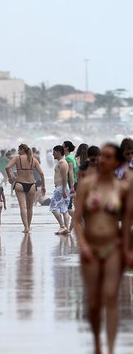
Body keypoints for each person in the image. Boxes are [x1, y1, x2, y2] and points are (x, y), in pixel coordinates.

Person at [76, 144, 128, 354]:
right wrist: (83, 245)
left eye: (108, 157)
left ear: (116, 162)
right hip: (91, 246)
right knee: (94, 300)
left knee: (111, 296)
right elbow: (77, 220)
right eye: (101, 156)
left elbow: (127, 220)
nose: (102, 160)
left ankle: (111, 348)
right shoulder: (87, 185)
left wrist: (128, 249)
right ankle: (97, 342)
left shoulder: (123, 188)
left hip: (113, 247)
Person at [5, 144, 46, 233]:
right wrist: (43, 186)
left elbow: (7, 167)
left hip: (19, 184)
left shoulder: (17, 158)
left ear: (23, 150)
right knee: (30, 208)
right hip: (31, 185)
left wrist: (10, 178)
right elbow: (42, 174)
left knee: (23, 207)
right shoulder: (33, 160)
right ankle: (29, 226)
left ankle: (26, 227)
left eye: (19, 150)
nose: (18, 152)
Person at [50, 145, 71, 235]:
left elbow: (64, 177)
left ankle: (62, 226)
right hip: (62, 187)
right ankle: (66, 228)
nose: (53, 154)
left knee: (53, 207)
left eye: (54, 152)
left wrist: (63, 190)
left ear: (58, 152)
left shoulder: (62, 163)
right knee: (63, 208)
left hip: (61, 188)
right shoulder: (61, 162)